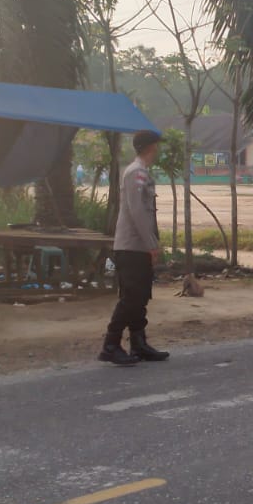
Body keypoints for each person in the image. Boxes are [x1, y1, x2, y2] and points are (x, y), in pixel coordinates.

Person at [100, 130, 171, 365]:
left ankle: (139, 344)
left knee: (140, 297)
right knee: (131, 297)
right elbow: (137, 211)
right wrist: (152, 245)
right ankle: (111, 345)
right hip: (132, 246)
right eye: (156, 146)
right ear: (150, 147)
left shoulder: (141, 172)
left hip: (138, 246)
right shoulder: (136, 173)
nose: (158, 150)